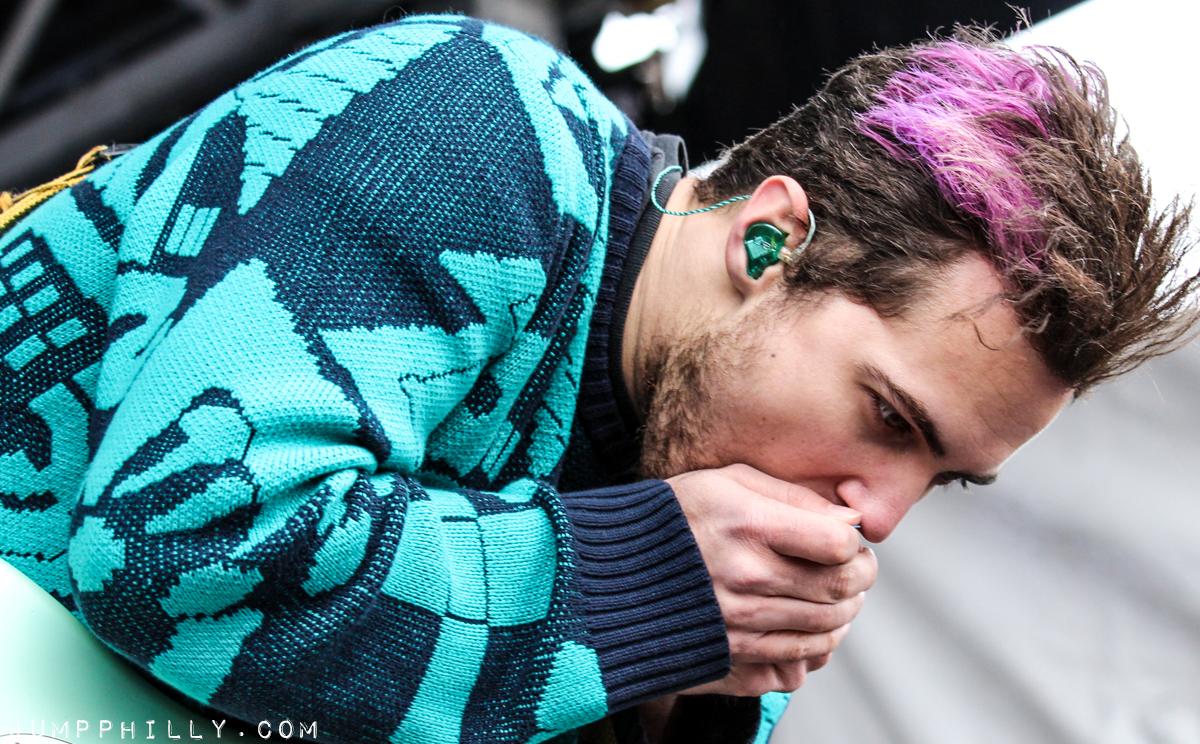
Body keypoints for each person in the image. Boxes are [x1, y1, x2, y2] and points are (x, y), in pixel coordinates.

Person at [0, 13, 1193, 744]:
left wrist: (681, 708)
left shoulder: (713, 511)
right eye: (888, 417)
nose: (877, 515)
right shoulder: (477, 126)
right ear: (767, 241)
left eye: (944, 479)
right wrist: (630, 593)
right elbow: (170, 551)